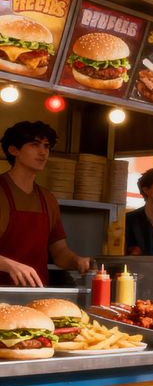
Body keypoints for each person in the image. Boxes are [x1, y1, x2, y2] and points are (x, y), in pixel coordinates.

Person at [0, 121, 91, 286]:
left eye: (47, 146)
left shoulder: (47, 198)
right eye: (35, 145)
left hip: (36, 293)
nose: (43, 152)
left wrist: (77, 261)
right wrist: (8, 264)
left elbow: (59, 252)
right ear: (14, 150)